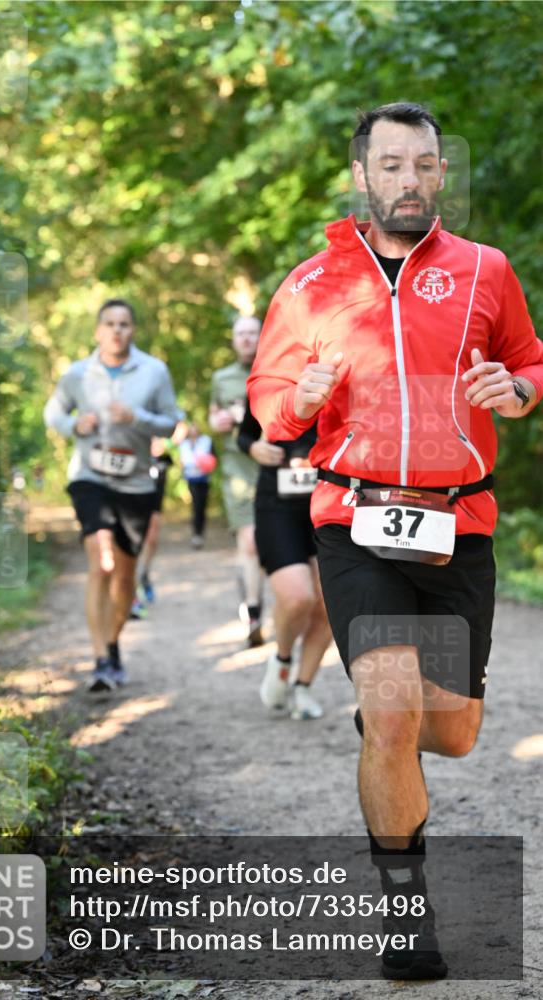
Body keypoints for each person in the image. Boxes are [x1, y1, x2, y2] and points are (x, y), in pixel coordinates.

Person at [248, 102, 543, 979]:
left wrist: (516, 390)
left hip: (460, 522)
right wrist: (299, 398)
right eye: (390, 165)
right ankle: (405, 914)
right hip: (355, 521)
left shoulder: (486, 271)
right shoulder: (310, 286)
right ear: (362, 176)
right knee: (390, 714)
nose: (406, 180)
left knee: (448, 732)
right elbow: (265, 404)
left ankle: (390, 722)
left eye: (422, 164)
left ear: (439, 174)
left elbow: (531, 361)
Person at [44, 298, 180, 692]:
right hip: (91, 477)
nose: (117, 330)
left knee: (124, 580)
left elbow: (172, 424)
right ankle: (101, 658)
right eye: (109, 323)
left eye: (124, 323)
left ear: (132, 330)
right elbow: (52, 414)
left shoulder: (154, 372)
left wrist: (138, 418)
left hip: (136, 483)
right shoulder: (77, 374)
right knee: (100, 560)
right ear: (97, 331)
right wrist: (74, 425)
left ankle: (113, 642)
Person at [237, 398, 333, 720]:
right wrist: (253, 449)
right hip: (278, 506)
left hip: (330, 503)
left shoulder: (345, 366)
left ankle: (302, 687)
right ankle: (281, 659)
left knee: (329, 605)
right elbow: (245, 435)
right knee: (298, 597)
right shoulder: (272, 374)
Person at [210, 315, 265, 646]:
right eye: (240, 334)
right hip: (237, 468)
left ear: (262, 336)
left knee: (268, 545)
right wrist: (219, 420)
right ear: (233, 340)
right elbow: (212, 416)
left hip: (275, 467)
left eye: (251, 333)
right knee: (250, 541)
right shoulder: (221, 378)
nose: (246, 339)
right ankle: (254, 611)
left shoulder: (276, 369)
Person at [130, 437, 175, 617]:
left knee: (151, 537)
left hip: (156, 478)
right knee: (134, 538)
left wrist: (166, 442)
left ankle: (143, 574)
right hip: (134, 479)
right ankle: (134, 593)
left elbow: (182, 426)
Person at [179, 421, 216, 548]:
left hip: (203, 478)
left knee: (201, 506)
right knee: (196, 505)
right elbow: (182, 462)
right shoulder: (184, 444)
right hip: (191, 479)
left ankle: (199, 532)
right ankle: (196, 534)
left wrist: (206, 463)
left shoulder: (206, 441)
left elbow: (213, 458)